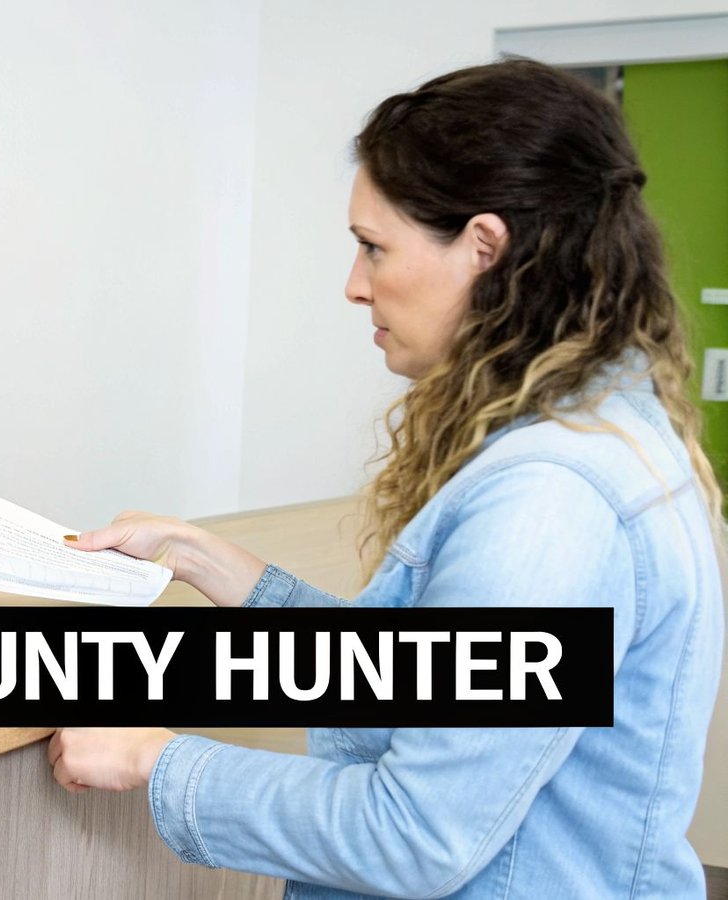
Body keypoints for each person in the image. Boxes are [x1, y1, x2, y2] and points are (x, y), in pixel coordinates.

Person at [48, 59, 723, 898]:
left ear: (484, 247)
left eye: (375, 247)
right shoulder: (599, 432)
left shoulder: (549, 502)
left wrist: (154, 758)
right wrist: (204, 560)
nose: (355, 285)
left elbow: (416, 835)